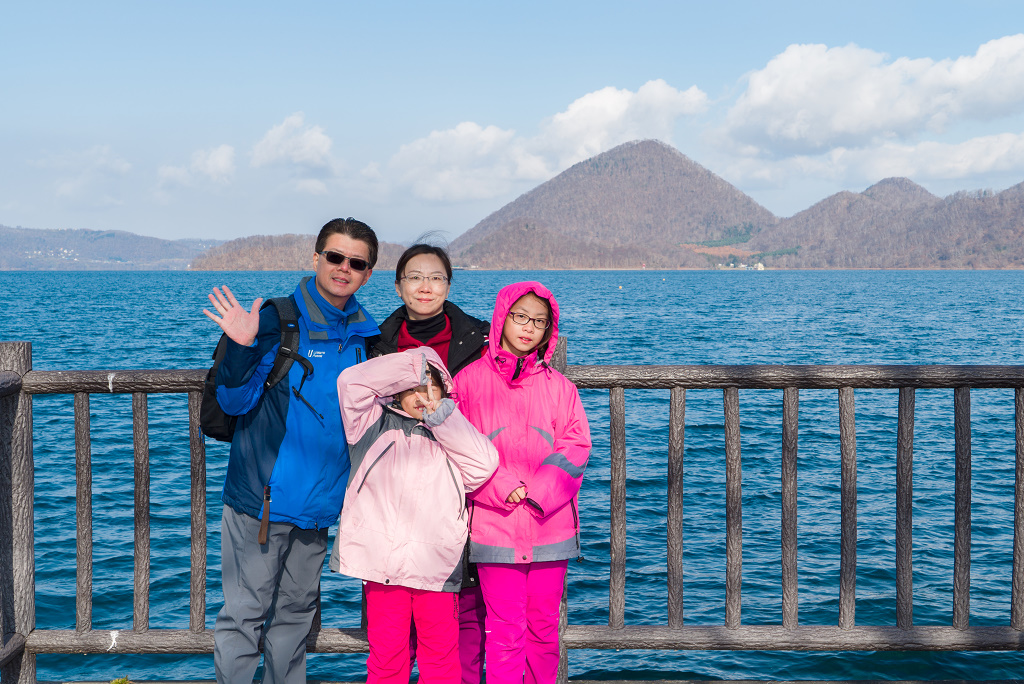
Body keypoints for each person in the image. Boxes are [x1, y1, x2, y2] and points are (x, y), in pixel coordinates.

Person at [203, 217, 380, 684]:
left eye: (356, 263)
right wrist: (241, 347)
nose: (343, 268)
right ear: (316, 258)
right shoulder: (277, 320)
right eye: (335, 257)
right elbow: (234, 402)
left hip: (320, 508)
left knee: (295, 620)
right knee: (244, 617)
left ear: (368, 273)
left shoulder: (368, 337)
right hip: (260, 501)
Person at [330, 347, 499, 684]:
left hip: (436, 569)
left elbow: (484, 464)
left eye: (431, 387)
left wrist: (443, 419)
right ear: (398, 390)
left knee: (441, 661)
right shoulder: (372, 425)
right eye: (414, 388)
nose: (423, 396)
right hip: (382, 568)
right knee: (387, 658)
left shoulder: (454, 435)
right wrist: (415, 363)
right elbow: (351, 382)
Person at [452, 281, 591, 684]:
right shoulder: (469, 382)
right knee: (505, 633)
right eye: (520, 316)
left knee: (544, 630)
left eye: (539, 321)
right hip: (494, 529)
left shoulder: (560, 387)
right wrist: (500, 485)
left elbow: (576, 445)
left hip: (551, 527)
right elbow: (458, 447)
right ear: (502, 318)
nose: (529, 327)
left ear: (549, 330)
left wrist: (540, 494)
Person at [367, 242, 491, 684]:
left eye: (436, 277)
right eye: (415, 277)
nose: (426, 286)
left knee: (455, 626)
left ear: (449, 285)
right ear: (398, 285)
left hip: (455, 491)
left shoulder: (479, 340)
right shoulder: (376, 342)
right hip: (394, 503)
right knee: (390, 638)